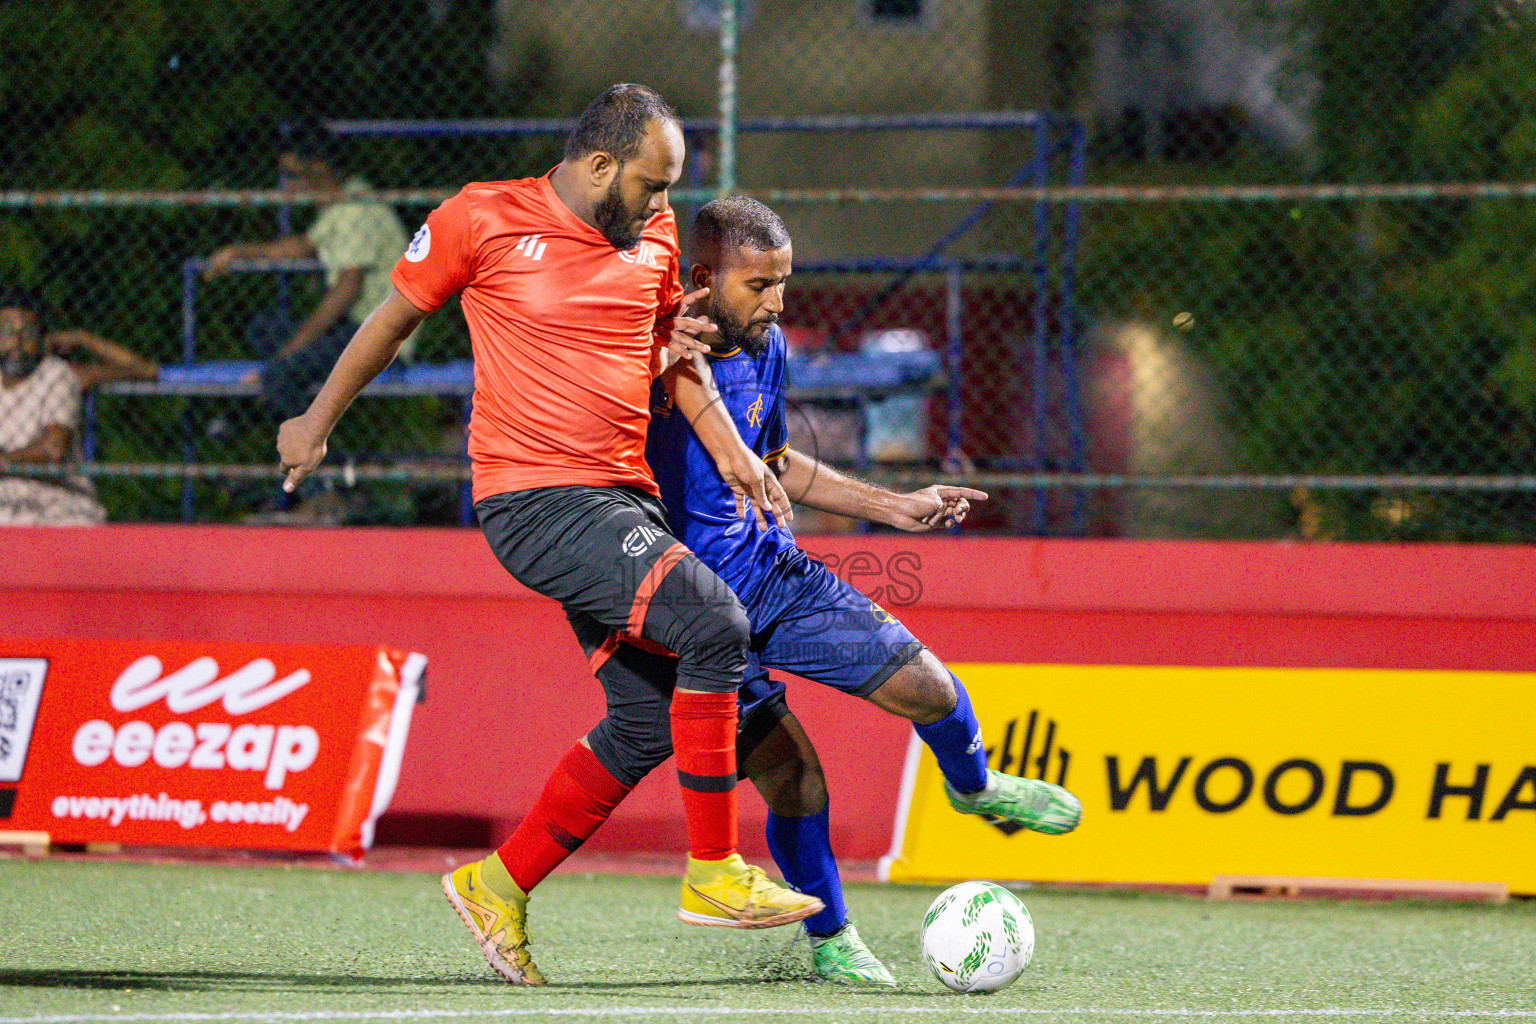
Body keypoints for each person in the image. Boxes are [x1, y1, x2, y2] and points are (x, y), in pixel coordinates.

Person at [273, 85, 821, 983]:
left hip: (621, 502)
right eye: (649, 185)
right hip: (536, 501)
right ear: (599, 164)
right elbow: (393, 317)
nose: (659, 206)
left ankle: (499, 885)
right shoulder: (480, 218)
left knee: (646, 723)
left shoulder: (654, 235)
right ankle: (715, 869)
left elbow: (666, 356)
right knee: (715, 624)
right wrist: (318, 417)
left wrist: (731, 454)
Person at [471, 197, 1083, 986]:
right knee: (793, 776)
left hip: (774, 573)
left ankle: (974, 787)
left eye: (784, 282)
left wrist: (894, 505)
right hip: (681, 603)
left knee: (931, 689)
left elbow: (777, 460)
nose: (778, 301)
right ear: (701, 278)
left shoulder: (769, 344)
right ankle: (831, 941)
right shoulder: (643, 354)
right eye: (760, 284)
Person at [203, 120, 409, 422]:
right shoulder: (340, 203)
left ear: (319, 167)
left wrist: (291, 352)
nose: (286, 185)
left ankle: (312, 459)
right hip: (350, 330)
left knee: (282, 372)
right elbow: (303, 246)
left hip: (377, 336)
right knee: (263, 329)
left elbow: (346, 292)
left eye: (293, 175)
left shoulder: (355, 209)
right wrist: (238, 251)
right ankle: (284, 386)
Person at [0, 288, 157, 525]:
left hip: (58, 509)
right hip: (9, 505)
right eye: (7, 331)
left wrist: (82, 338)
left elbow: (53, 449)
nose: (17, 342)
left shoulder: (59, 374)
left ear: (43, 339)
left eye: (28, 333)